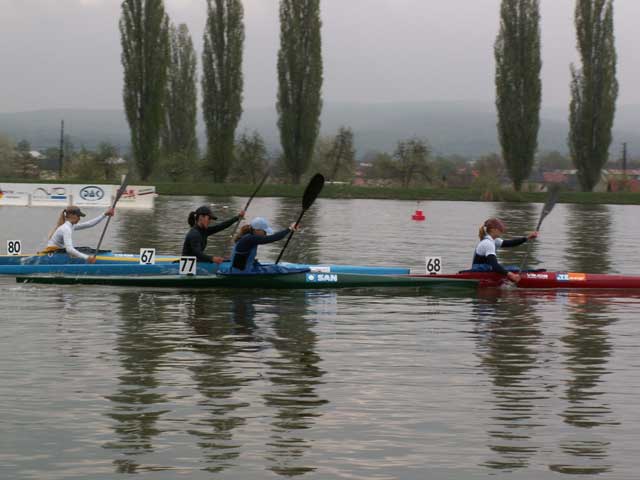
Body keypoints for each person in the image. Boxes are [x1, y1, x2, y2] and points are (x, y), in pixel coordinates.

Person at [472, 218, 538, 283]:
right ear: (493, 230)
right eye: (500, 229)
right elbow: (495, 265)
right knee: (513, 269)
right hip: (480, 271)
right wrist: (510, 275)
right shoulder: (488, 243)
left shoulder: (494, 240)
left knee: (513, 268)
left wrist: (527, 238)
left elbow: (510, 243)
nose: (502, 230)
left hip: (485, 269)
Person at [43, 206, 115, 263]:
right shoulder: (66, 229)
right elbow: (69, 250)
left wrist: (105, 214)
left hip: (58, 251)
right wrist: (87, 258)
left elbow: (89, 224)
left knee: (86, 249)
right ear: (71, 215)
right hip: (54, 253)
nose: (79, 218)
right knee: (86, 250)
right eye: (78, 216)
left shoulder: (70, 226)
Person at [229, 217, 299, 273]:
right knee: (276, 270)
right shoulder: (249, 239)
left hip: (244, 269)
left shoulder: (248, 236)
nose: (265, 234)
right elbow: (272, 238)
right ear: (257, 230)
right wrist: (289, 229)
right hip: (241, 273)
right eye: (264, 231)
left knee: (274, 268)